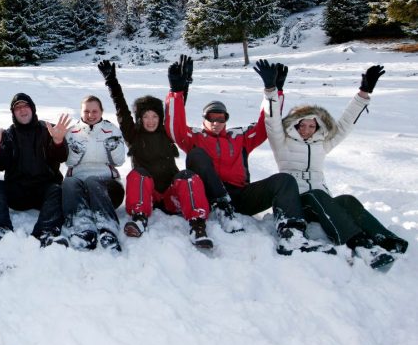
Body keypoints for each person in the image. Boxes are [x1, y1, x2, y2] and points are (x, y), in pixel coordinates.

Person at [165, 55, 333, 255]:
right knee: (197, 155)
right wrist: (177, 92)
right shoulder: (194, 136)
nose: (216, 122)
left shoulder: (240, 136)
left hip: (240, 196)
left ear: (227, 119)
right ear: (204, 119)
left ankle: (291, 235)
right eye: (212, 117)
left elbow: (265, 125)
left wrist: (274, 90)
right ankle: (222, 206)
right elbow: (174, 129)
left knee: (284, 180)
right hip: (208, 197)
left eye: (221, 117)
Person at [263, 62, 408, 270]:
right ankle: (360, 244)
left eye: (311, 126)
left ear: (318, 127)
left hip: (321, 204)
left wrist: (364, 92)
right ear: (294, 125)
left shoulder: (322, 143)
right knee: (317, 196)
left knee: (347, 200)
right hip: (295, 204)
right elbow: (272, 119)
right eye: (301, 125)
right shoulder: (282, 142)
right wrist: (271, 90)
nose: (306, 130)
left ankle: (386, 239)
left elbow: (346, 123)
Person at [98, 59, 213, 249]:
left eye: (154, 116)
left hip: (170, 196)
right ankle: (139, 218)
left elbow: (177, 111)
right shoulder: (133, 135)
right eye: (145, 116)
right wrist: (112, 82)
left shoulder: (167, 132)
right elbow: (121, 108)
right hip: (147, 196)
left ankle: (197, 225)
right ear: (139, 119)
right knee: (137, 174)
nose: (150, 121)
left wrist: (183, 85)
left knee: (188, 176)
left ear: (160, 118)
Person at [0, 93, 72, 247]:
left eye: (25, 106)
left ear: (32, 109)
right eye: (17, 108)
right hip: (17, 190)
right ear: (13, 113)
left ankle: (46, 232)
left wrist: (58, 141)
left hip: (44, 190)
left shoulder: (48, 129)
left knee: (58, 189)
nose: (22, 110)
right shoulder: (8, 134)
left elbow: (61, 157)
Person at [61, 94, 126, 251]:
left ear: (101, 111)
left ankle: (108, 229)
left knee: (92, 181)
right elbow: (69, 163)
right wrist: (76, 152)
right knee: (68, 182)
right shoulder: (72, 132)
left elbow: (119, 161)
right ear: (81, 112)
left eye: (94, 111)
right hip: (80, 190)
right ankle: (83, 228)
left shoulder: (111, 130)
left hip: (108, 190)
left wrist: (114, 147)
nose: (90, 115)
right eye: (86, 111)